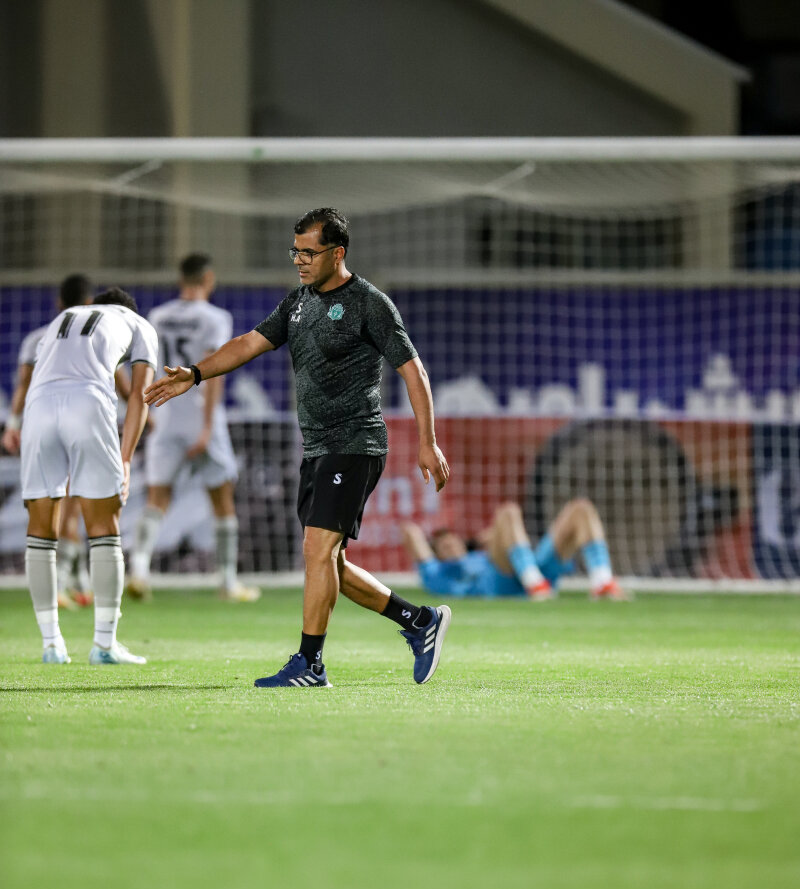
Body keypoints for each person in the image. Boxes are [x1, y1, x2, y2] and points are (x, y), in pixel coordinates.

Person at [145, 207, 451, 688]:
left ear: (337, 252)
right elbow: (248, 343)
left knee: (316, 549)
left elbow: (414, 372)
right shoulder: (298, 303)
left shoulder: (369, 303)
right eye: (296, 252)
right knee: (330, 562)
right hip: (316, 448)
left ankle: (310, 664)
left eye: (310, 252)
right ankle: (419, 621)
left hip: (356, 442)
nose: (300, 261)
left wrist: (427, 443)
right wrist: (196, 373)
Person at [21, 287, 157, 664]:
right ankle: (104, 644)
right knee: (103, 525)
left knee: (40, 528)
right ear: (127, 308)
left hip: (38, 406)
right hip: (88, 402)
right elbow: (139, 394)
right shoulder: (137, 323)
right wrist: (125, 459)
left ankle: (51, 644)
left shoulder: (61, 319)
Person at [126, 253, 259, 602]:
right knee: (222, 499)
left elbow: (147, 366)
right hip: (202, 420)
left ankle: (139, 571)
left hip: (166, 416)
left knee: (157, 498)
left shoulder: (158, 316)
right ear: (208, 279)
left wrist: (148, 412)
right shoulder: (215, 318)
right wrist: (207, 427)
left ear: (180, 279)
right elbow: (213, 372)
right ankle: (228, 582)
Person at [2, 273, 130, 609]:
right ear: (90, 303)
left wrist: (12, 425)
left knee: (49, 505)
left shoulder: (37, 338)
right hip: (84, 424)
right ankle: (65, 583)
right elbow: (124, 387)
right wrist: (146, 414)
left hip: (40, 425)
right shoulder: (97, 336)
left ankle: (74, 582)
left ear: (59, 302)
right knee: (77, 507)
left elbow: (23, 385)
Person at [403, 500, 629, 600]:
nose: (451, 545)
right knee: (508, 511)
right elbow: (410, 532)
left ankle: (602, 583)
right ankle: (535, 586)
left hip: (530, 567)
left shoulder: (478, 555)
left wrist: (481, 541)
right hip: (500, 580)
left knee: (580, 509)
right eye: (445, 546)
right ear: (437, 556)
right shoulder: (438, 572)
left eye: (454, 541)